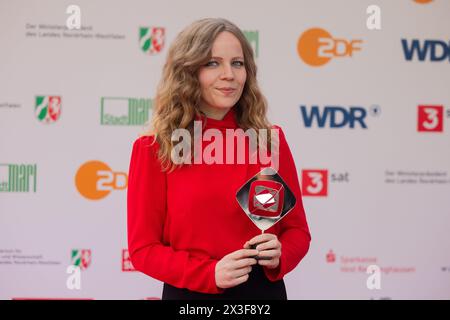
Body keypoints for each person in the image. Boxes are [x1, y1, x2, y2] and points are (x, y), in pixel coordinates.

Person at [127, 18, 311, 300]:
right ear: (188, 72)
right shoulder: (154, 147)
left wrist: (280, 254)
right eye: (213, 63)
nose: (229, 75)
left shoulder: (269, 140)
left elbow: (297, 231)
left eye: (238, 63)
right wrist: (209, 274)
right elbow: (143, 250)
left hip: (262, 295)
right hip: (190, 296)